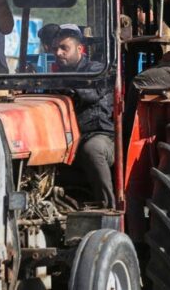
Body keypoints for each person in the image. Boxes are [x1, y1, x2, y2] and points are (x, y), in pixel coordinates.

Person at [52, 28, 115, 208]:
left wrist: (68, 89)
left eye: (64, 48)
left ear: (80, 49)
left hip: (100, 135)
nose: (58, 53)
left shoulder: (96, 70)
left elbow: (93, 93)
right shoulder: (54, 76)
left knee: (92, 149)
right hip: (68, 136)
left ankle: (106, 205)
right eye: (56, 48)